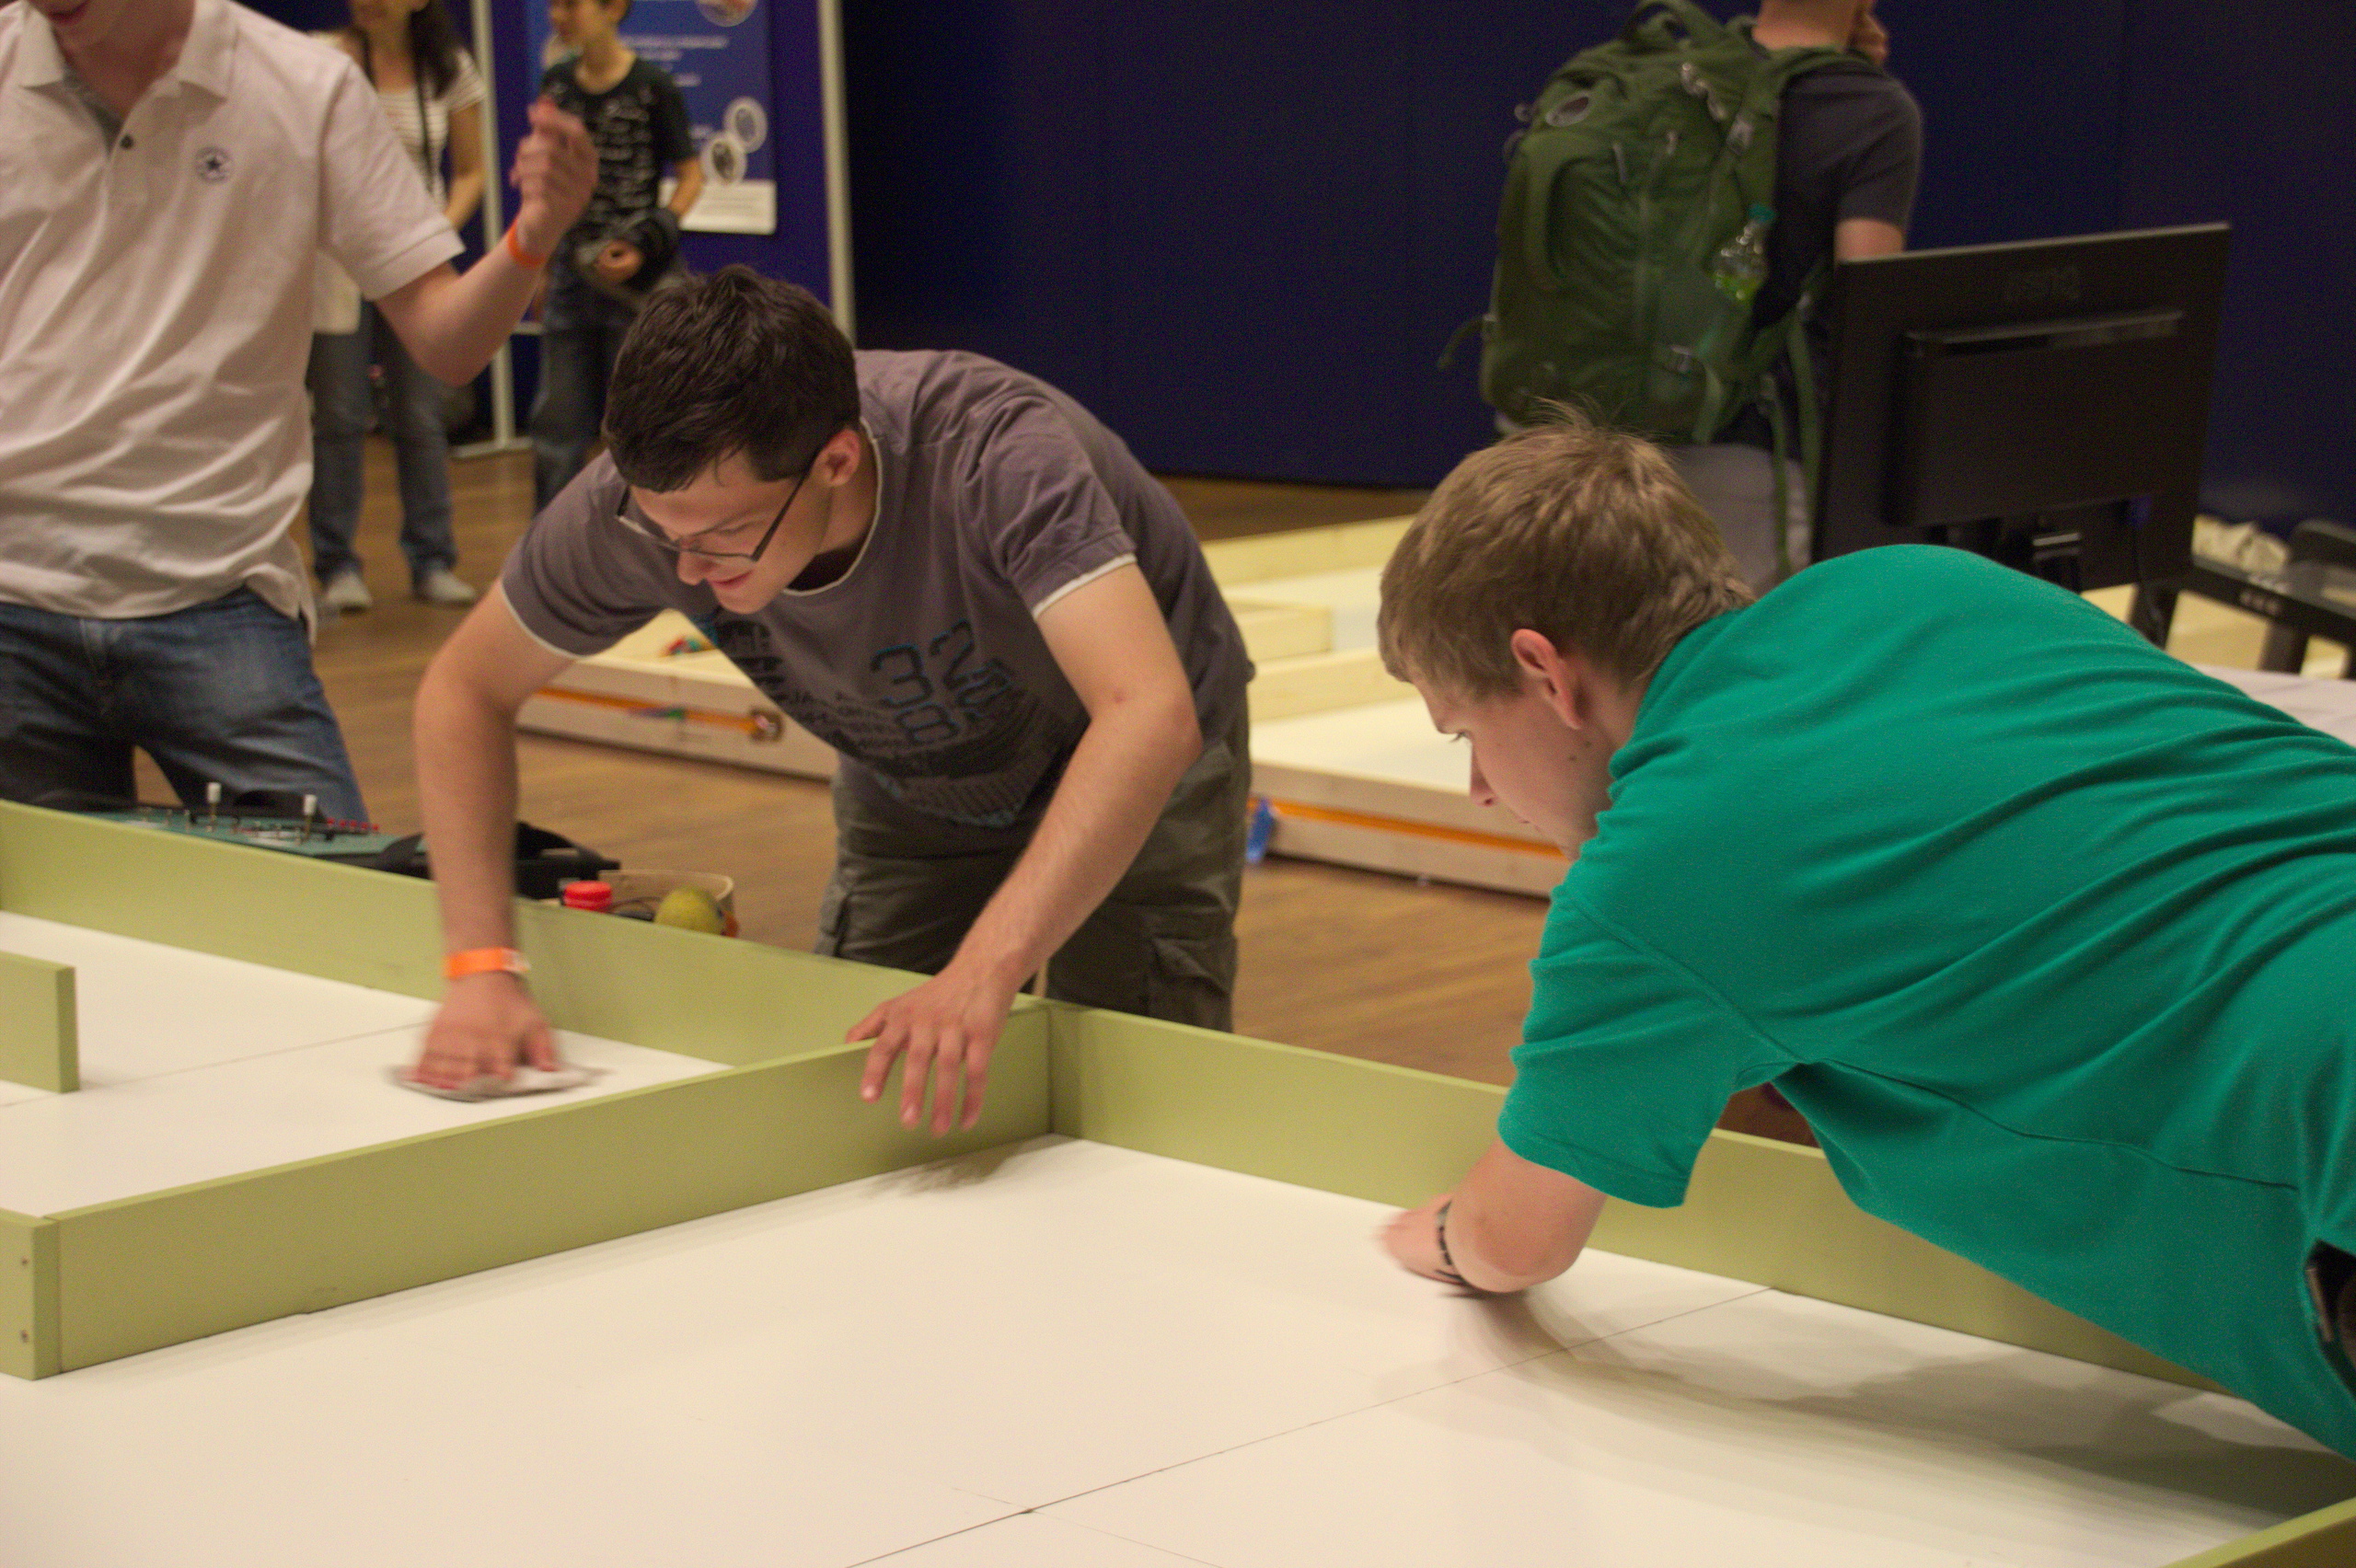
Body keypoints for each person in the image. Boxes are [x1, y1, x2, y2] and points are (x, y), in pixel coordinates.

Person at [1372, 411, 2356, 1459]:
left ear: (1544, 673)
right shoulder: (1917, 582)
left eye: (1465, 732)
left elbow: (1517, 1241)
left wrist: (1442, 1235)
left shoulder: (1660, 868)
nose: (1480, 789)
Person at [410, 268, 1253, 1136]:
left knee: (1133, 1094)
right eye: (665, 533)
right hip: (914, 768)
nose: (686, 569)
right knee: (861, 1082)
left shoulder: (995, 453)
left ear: (836, 462)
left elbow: (1146, 714)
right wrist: (481, 965)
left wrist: (984, 971)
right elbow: (463, 690)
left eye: (725, 536)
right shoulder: (635, 510)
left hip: (1132, 758)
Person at [0, 0, 595, 823]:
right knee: (43, 902)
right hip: (14, 599)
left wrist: (534, 234)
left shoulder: (306, 87)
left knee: (334, 892)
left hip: (218, 592)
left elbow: (447, 340)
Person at [1671, 0, 1921, 589]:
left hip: (1616, 448)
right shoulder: (1873, 111)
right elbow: (1868, 317)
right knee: (1755, 645)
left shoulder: (1678, 74)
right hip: (1755, 462)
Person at [307, 0, 489, 616]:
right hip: (337, 264)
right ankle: (337, 566)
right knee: (339, 415)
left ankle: (433, 559)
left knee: (419, 415)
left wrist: (434, 234)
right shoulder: (324, 58)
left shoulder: (447, 66)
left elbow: (471, 172)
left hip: (414, 264)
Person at [529, 0, 702, 509]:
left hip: (635, 286)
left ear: (613, 8)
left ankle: (639, 538)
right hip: (571, 278)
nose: (558, 15)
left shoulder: (653, 86)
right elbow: (545, 181)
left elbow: (691, 176)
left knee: (637, 424)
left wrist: (649, 238)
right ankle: (549, 545)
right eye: (553, 4)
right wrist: (538, 269)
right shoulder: (557, 85)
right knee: (556, 426)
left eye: (571, 3)